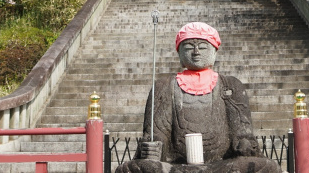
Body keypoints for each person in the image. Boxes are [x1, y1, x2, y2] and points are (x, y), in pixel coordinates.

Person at [117, 22, 279, 173]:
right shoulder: (164, 86)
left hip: (222, 165)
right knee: (135, 168)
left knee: (263, 166)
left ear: (214, 51)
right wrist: (152, 148)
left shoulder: (231, 85)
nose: (196, 52)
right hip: (176, 165)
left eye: (203, 47)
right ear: (179, 53)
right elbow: (156, 134)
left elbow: (242, 133)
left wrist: (244, 144)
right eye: (188, 47)